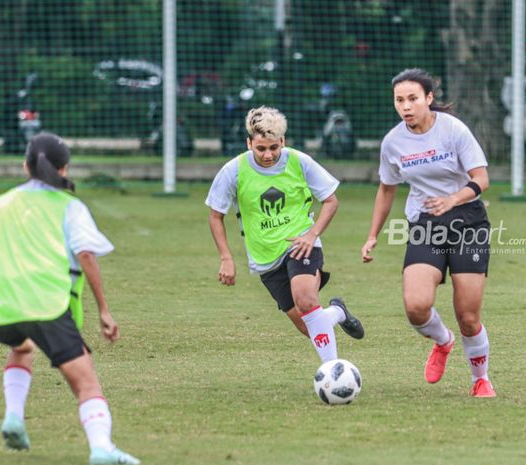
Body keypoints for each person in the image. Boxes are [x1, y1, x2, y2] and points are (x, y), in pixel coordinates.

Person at [0, 133, 140, 464]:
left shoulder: (0, 204)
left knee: (22, 346)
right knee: (86, 383)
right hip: (48, 305)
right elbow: (86, 255)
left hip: (1, 306)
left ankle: (14, 417)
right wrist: (104, 309)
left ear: (25, 166)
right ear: (64, 169)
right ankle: (101, 448)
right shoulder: (69, 207)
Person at [361, 68, 496, 397]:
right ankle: (442, 341)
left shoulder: (453, 130)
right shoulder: (393, 143)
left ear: (429, 99)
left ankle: (481, 379)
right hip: (426, 223)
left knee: (468, 315)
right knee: (416, 306)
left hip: (468, 221)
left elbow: (481, 179)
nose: (406, 106)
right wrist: (372, 234)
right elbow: (387, 189)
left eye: (412, 99)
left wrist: (452, 199)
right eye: (399, 100)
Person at [206, 106, 364, 365]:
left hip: (301, 244)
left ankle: (332, 370)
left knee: (306, 300)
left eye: (273, 148)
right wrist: (226, 258)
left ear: (282, 142)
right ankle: (337, 312)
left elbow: (331, 201)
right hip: (265, 256)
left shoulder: (299, 162)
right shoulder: (233, 171)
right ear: (249, 143)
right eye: (260, 149)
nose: (268, 155)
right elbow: (215, 215)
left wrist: (312, 234)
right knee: (307, 326)